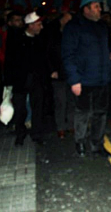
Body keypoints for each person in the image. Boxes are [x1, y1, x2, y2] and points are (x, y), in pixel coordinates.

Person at [62, 0, 111, 158]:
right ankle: (81, 143)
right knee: (83, 113)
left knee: (100, 113)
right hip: (84, 80)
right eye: (96, 6)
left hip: (102, 79)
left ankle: (97, 145)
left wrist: (110, 56)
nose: (100, 9)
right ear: (86, 9)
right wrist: (74, 80)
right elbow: (68, 55)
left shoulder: (102, 26)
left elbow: (104, 49)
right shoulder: (73, 27)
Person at [5, 12, 47, 146]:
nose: (41, 27)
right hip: (20, 80)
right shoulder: (16, 39)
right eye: (39, 24)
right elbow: (9, 60)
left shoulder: (40, 40)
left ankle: (37, 134)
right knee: (20, 109)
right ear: (31, 25)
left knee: (37, 107)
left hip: (36, 80)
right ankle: (20, 134)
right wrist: (8, 81)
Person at [45, 11, 75, 139]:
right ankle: (60, 127)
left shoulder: (73, 36)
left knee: (71, 100)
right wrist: (52, 70)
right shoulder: (53, 35)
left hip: (71, 72)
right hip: (59, 74)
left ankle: (71, 124)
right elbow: (47, 54)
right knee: (60, 101)